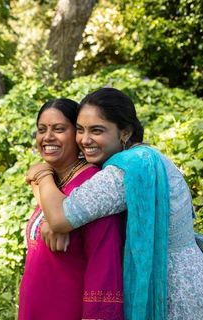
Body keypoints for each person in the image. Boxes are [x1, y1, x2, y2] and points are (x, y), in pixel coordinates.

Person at [28, 88, 203, 319]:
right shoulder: (147, 156)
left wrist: (41, 174)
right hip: (194, 277)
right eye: (80, 130)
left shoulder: (124, 172)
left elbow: (61, 217)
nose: (85, 140)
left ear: (125, 132)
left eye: (97, 131)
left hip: (170, 291)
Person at [19, 98, 124, 320]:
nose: (47, 137)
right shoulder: (54, 182)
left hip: (69, 309)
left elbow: (104, 265)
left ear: (76, 135)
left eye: (59, 129)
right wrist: (42, 174)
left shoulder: (93, 187)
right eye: (41, 129)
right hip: (36, 307)